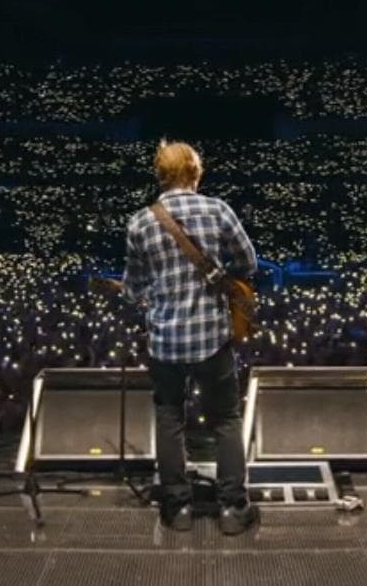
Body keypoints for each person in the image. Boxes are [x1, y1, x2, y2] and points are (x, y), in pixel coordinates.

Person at [121, 140, 259, 535]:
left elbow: (133, 289)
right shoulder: (217, 210)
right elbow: (247, 261)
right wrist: (216, 270)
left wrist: (150, 293)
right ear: (196, 173)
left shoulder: (141, 222)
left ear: (160, 174)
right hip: (212, 338)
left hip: (165, 342)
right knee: (226, 419)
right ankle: (233, 510)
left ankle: (177, 509)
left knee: (170, 418)